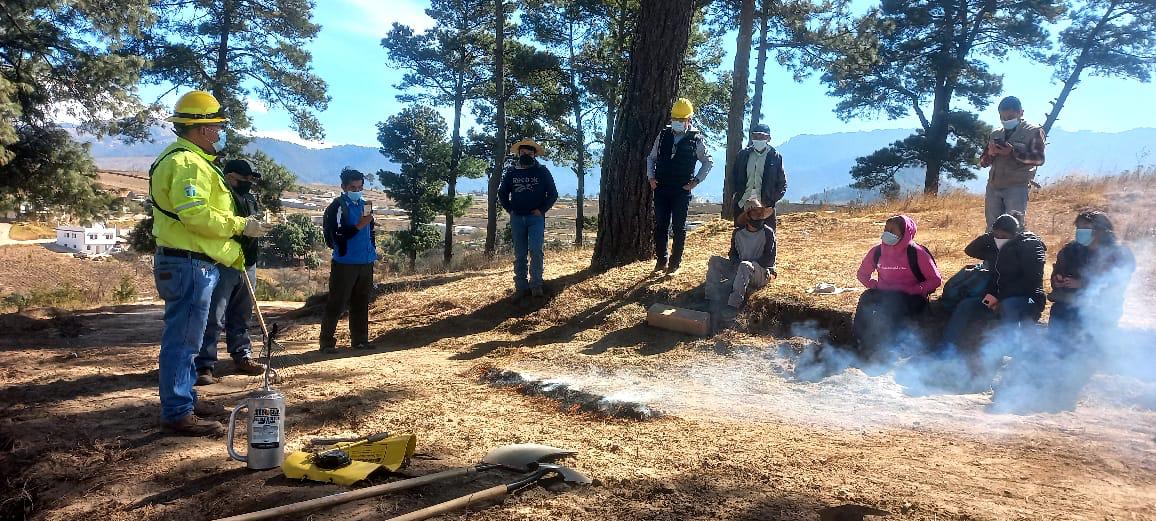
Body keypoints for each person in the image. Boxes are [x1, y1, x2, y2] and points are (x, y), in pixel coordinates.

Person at [150, 90, 264, 436]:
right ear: (200, 129)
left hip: (191, 262)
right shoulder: (187, 163)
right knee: (184, 341)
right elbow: (197, 216)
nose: (219, 133)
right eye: (216, 127)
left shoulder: (189, 160)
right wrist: (241, 225)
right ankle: (177, 412)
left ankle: (184, 398)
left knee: (189, 338)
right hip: (188, 265)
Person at [195, 159, 267, 386]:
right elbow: (215, 225)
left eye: (250, 179)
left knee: (243, 314)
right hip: (222, 262)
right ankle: (204, 365)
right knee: (213, 316)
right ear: (229, 177)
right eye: (243, 179)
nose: (248, 183)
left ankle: (242, 355)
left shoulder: (250, 198)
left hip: (247, 262)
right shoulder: (220, 198)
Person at [940, 213, 1046, 352]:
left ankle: (1005, 352)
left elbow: (1031, 283)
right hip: (999, 296)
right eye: (996, 236)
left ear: (1015, 234)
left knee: (1008, 306)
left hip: (1030, 300)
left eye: (1003, 236)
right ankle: (947, 347)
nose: (999, 239)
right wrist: (992, 236)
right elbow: (971, 250)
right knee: (967, 304)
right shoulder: (998, 249)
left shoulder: (1030, 247)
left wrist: (1000, 298)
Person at [852, 215, 942, 358]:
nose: (887, 234)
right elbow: (862, 274)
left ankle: (892, 347)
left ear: (905, 233)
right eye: (886, 229)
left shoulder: (917, 253)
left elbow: (935, 280)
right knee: (866, 298)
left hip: (911, 296)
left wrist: (914, 290)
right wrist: (874, 285)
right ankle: (859, 341)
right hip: (884, 293)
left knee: (894, 305)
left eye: (892, 230)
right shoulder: (877, 251)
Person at [646, 97, 714, 276]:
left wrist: (696, 181)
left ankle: (674, 264)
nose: (677, 122)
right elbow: (651, 158)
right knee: (660, 225)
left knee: (678, 227)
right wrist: (651, 178)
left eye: (681, 120)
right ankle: (661, 261)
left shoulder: (696, 139)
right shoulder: (662, 135)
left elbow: (708, 162)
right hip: (661, 188)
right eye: (674, 119)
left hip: (681, 191)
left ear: (689, 120)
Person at [1049, 211, 1136, 335]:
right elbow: (1057, 272)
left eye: (1086, 228)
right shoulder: (1070, 250)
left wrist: (1082, 284)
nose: (1080, 231)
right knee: (1060, 316)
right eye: (1078, 228)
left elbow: (1116, 285)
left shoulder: (1118, 253)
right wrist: (1057, 281)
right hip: (1068, 303)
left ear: (1101, 230)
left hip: (1101, 307)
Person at [319, 168, 376, 354]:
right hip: (345, 262)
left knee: (361, 302)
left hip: (365, 262)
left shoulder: (365, 204)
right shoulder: (336, 206)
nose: (357, 190)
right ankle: (327, 342)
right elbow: (337, 236)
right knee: (337, 303)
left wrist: (372, 250)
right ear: (343, 187)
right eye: (353, 187)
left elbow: (370, 231)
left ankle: (360, 340)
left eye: (360, 187)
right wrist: (359, 225)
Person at [498, 139, 558, 302]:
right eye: (523, 153)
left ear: (535, 155)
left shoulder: (542, 172)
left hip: (535, 218)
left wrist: (541, 210)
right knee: (520, 254)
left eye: (529, 153)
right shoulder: (511, 172)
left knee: (536, 251)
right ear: (519, 154)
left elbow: (553, 194)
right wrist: (510, 209)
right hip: (517, 218)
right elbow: (502, 193)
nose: (526, 155)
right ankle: (521, 287)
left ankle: (536, 285)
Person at [978, 96, 1046, 227]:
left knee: (1014, 228)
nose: (1005, 121)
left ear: (1021, 113)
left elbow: (1039, 159)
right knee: (992, 228)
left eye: (1009, 118)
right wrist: (990, 154)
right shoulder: (996, 134)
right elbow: (982, 162)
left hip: (1017, 187)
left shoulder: (1033, 132)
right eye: (1002, 118)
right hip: (994, 186)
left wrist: (1013, 153)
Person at [705, 198, 778, 316]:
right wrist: (735, 264)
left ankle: (733, 306)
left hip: (761, 273)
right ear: (748, 216)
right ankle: (710, 298)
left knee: (745, 266)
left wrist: (746, 265)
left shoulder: (768, 233)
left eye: (761, 214)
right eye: (756, 213)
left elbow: (768, 259)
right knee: (715, 260)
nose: (759, 217)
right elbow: (732, 254)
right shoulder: (738, 233)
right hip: (740, 270)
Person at [727, 123, 786, 229]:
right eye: (756, 136)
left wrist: (771, 200)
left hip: (765, 206)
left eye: (762, 136)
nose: (759, 139)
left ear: (768, 138)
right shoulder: (743, 155)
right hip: (743, 203)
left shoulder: (775, 157)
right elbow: (733, 177)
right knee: (740, 236)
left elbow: (782, 183)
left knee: (767, 238)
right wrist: (735, 194)